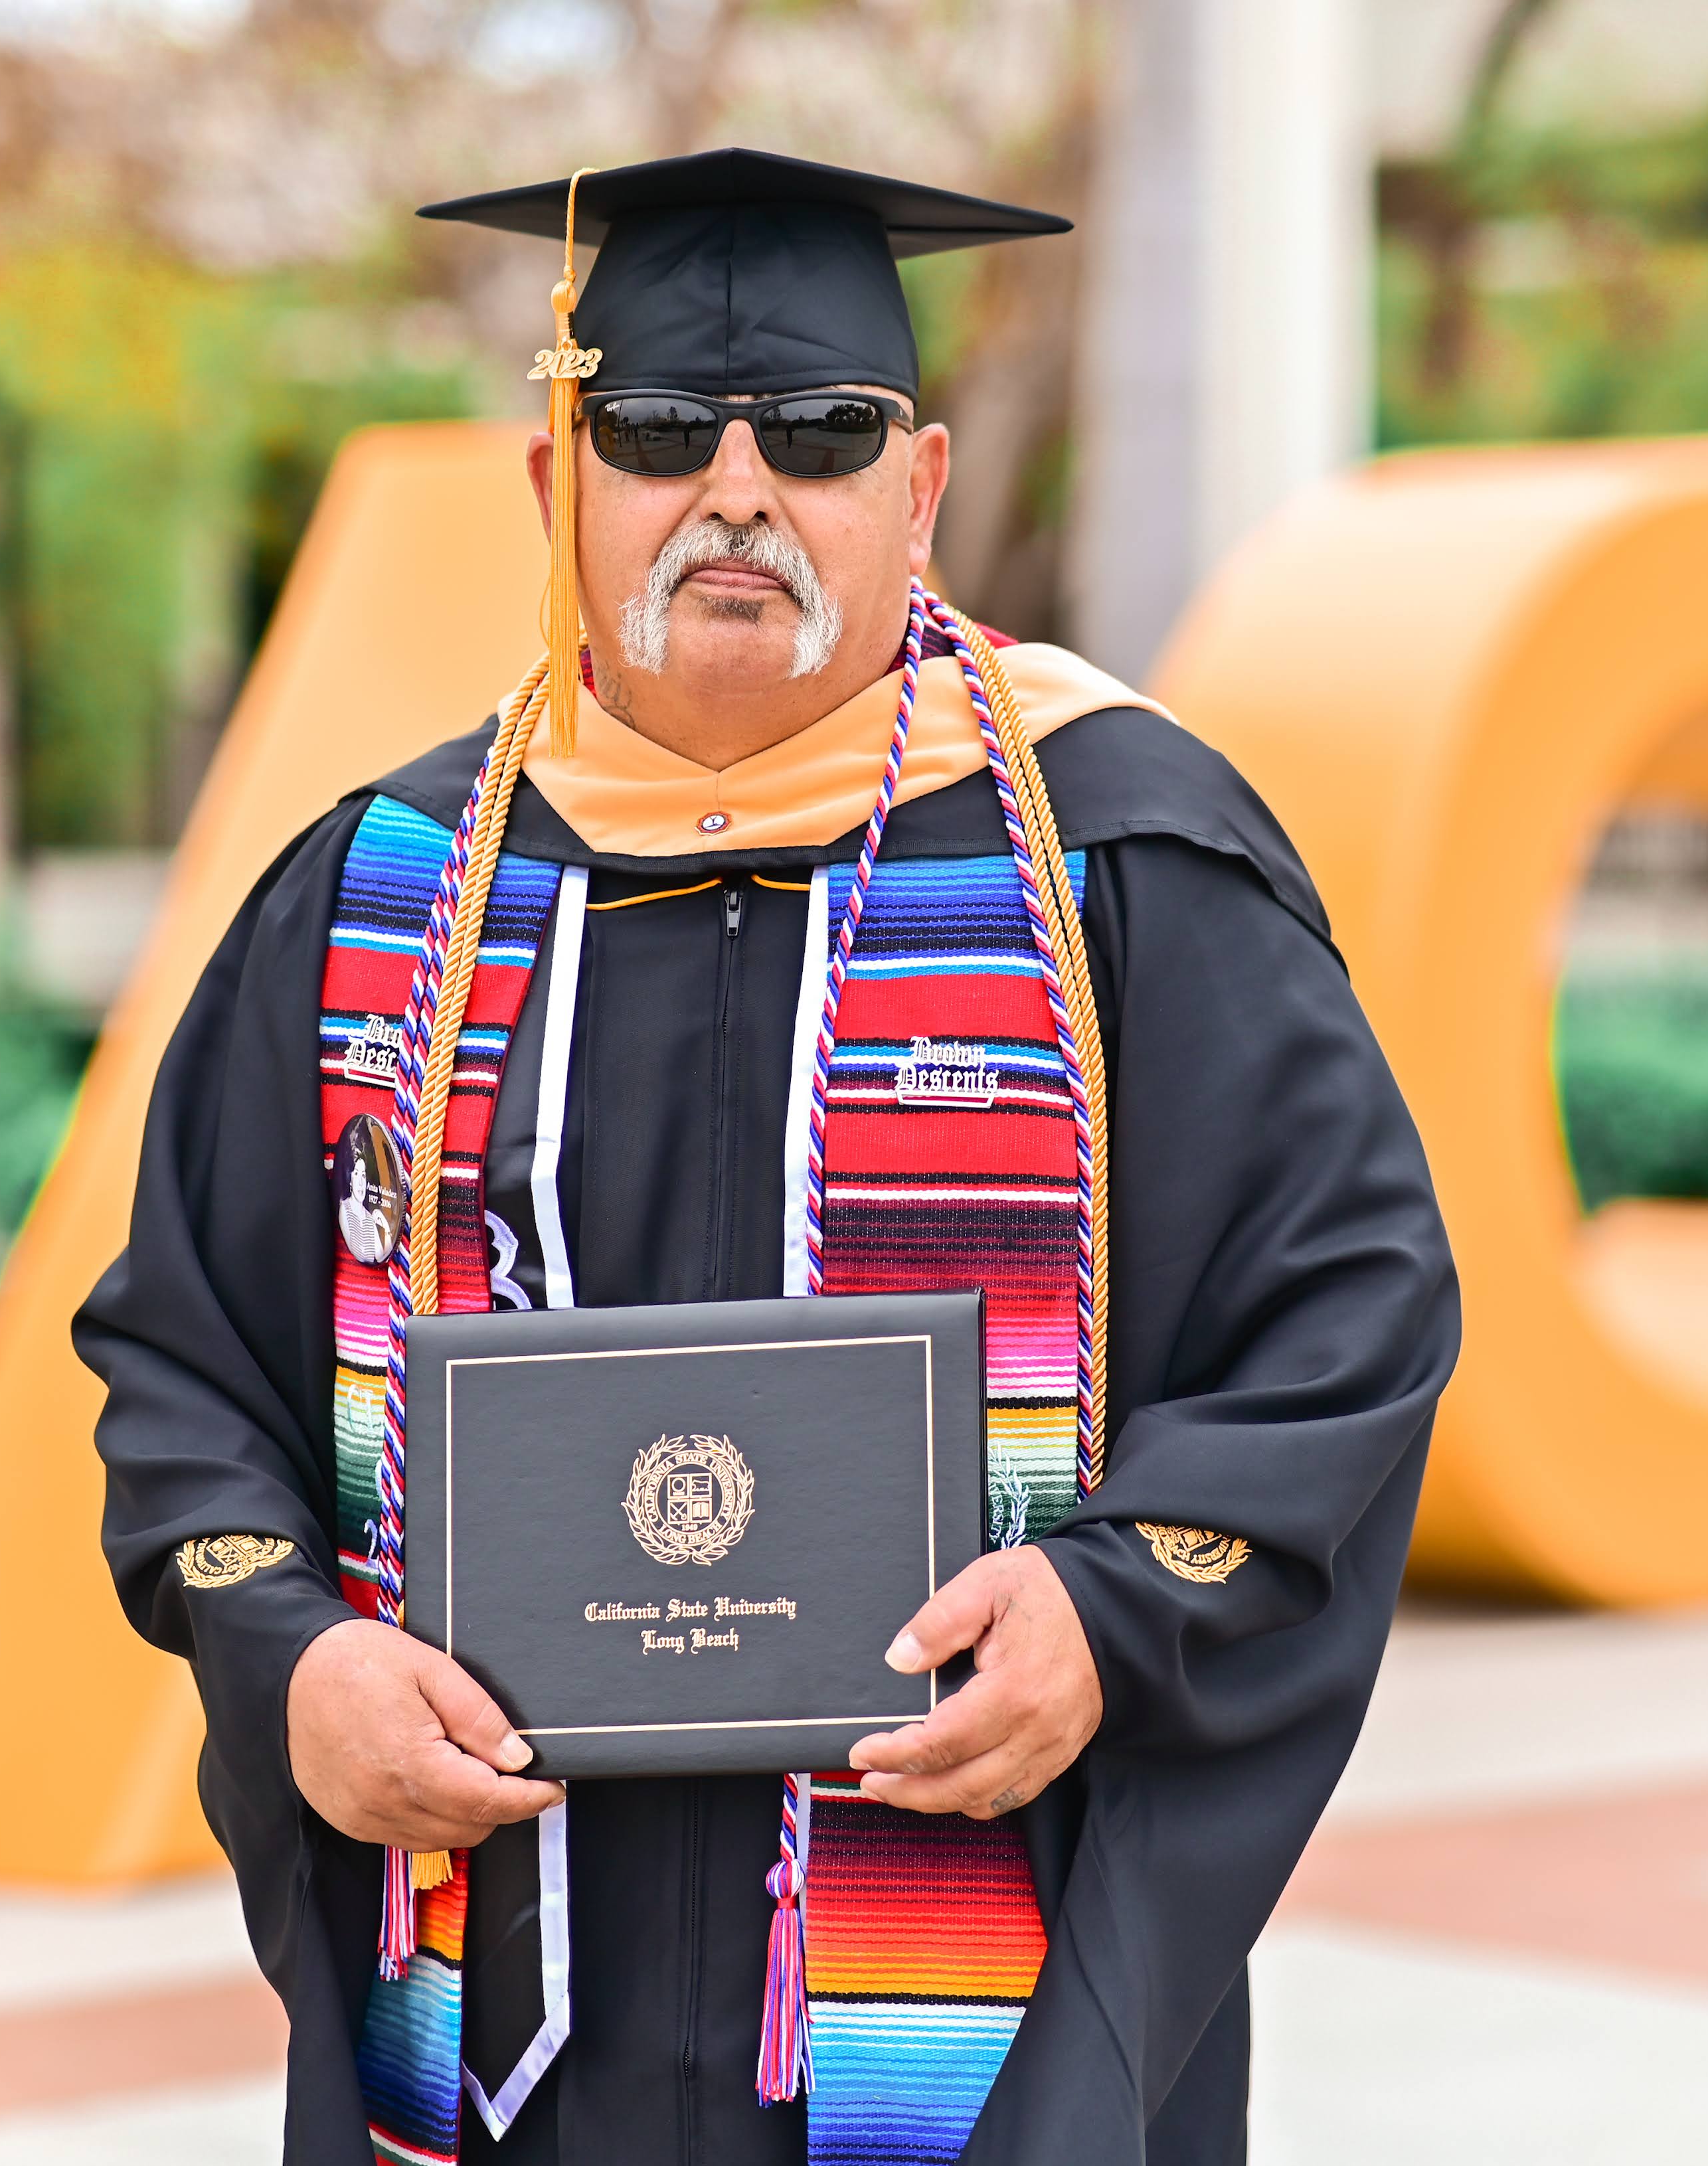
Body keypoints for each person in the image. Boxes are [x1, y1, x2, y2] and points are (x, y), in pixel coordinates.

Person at [82, 147, 1460, 2166]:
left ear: (920, 488)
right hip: (504, 2024)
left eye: (818, 434)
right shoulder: (386, 891)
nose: (737, 489)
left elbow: (1345, 1323)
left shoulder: (1115, 863)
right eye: (654, 431)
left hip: (974, 2007)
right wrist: (289, 1661)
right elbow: (191, 1370)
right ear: (560, 482)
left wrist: (1113, 1611)